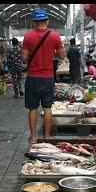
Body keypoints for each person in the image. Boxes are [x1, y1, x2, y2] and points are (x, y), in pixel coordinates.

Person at [21, 8, 65, 143]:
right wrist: (53, 53)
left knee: (32, 108)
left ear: (34, 22)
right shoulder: (55, 36)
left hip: (33, 78)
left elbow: (23, 58)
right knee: (47, 108)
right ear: (47, 20)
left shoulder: (28, 36)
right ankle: (47, 136)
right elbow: (62, 56)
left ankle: (33, 137)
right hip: (48, 78)